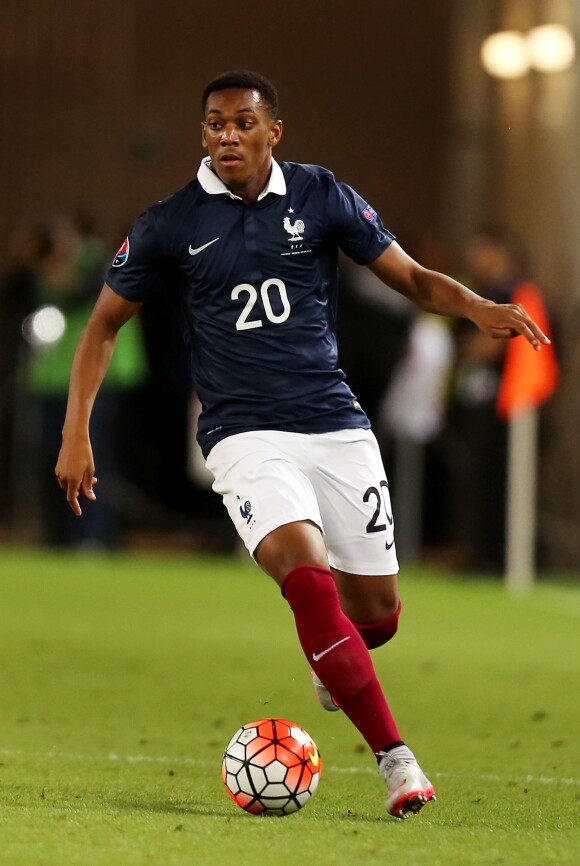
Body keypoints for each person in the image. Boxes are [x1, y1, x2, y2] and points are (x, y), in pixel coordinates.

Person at [55, 71, 550, 818]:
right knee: (308, 583)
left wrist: (477, 306)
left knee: (376, 614)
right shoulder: (168, 222)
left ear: (272, 132)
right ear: (203, 134)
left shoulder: (321, 196)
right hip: (243, 435)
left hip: (335, 425)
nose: (228, 136)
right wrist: (75, 431)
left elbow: (411, 277)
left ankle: (337, 654)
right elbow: (100, 326)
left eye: (243, 124)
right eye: (216, 124)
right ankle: (397, 761)